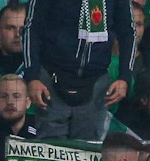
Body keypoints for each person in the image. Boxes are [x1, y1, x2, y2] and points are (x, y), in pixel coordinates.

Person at [23, 0, 135, 140]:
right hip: (51, 80)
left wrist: (124, 77)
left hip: (96, 83)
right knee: (50, 150)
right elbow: (31, 28)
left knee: (88, 151)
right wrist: (32, 76)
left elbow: (128, 32)